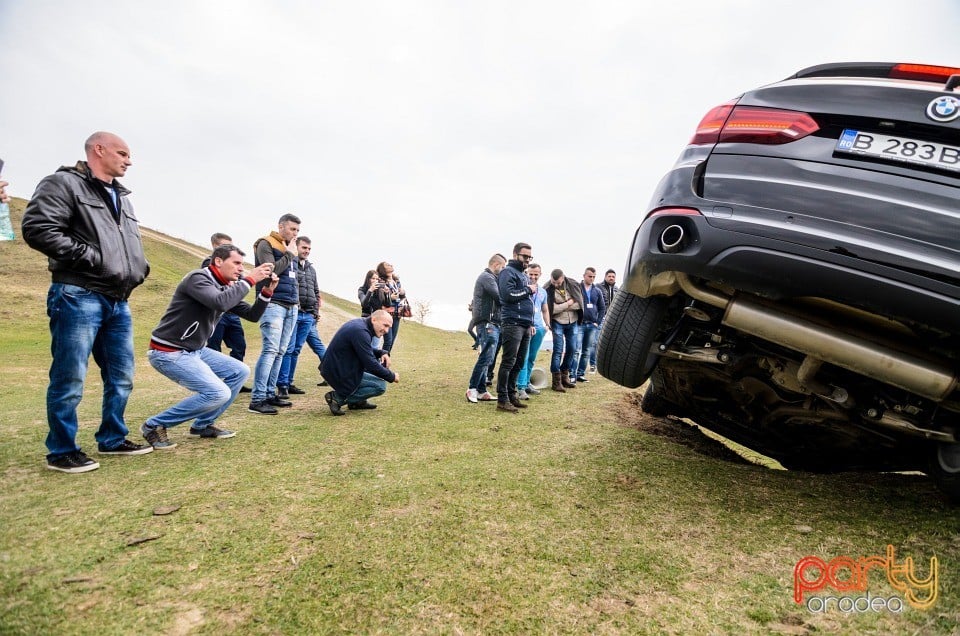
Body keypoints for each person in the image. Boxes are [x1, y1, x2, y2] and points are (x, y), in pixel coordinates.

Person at [21, 132, 152, 473]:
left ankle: (112, 438)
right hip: (78, 293)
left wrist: (140, 268)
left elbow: (126, 245)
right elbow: (38, 228)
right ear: (99, 150)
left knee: (122, 375)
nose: (129, 160)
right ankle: (62, 450)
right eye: (122, 153)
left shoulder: (122, 198)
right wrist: (91, 258)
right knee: (70, 376)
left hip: (118, 301)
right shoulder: (63, 183)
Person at [142, 245, 279, 446]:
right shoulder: (197, 279)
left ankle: (202, 425)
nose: (241, 268)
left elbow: (252, 315)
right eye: (237, 263)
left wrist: (267, 291)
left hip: (194, 350)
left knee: (239, 371)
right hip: (168, 351)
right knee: (218, 393)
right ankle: (154, 425)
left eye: (242, 265)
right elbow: (220, 303)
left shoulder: (227, 288)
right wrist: (250, 279)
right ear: (218, 261)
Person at [249, 213, 301, 415]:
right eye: (292, 229)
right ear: (281, 227)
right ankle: (258, 398)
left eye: (297, 230)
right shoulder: (266, 243)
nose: (295, 233)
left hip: (291, 304)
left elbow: (292, 277)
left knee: (281, 350)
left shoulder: (291, 248)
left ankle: (270, 393)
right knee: (270, 350)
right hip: (273, 303)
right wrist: (289, 255)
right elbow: (272, 271)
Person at [321, 309, 400, 415]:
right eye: (385, 325)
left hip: (339, 368)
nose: (386, 330)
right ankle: (336, 398)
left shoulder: (361, 326)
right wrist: (392, 376)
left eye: (388, 327)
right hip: (339, 372)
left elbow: (364, 348)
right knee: (380, 386)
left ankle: (357, 402)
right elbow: (370, 364)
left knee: (375, 378)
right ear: (374, 319)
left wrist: (382, 352)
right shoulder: (360, 331)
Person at [277, 236, 326, 397]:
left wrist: (315, 313)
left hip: (308, 315)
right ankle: (282, 385)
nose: (307, 251)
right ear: (296, 247)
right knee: (288, 349)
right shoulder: (290, 264)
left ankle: (289, 383)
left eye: (309, 249)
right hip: (294, 312)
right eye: (304, 248)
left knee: (296, 350)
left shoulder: (311, 269)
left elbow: (316, 291)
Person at [495, 243, 536, 413]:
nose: (527, 260)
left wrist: (531, 322)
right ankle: (502, 399)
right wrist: (528, 289)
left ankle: (512, 395)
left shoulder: (523, 274)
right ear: (515, 254)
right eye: (524, 256)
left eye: (529, 257)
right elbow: (507, 295)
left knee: (519, 362)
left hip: (526, 324)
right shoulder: (507, 272)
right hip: (512, 323)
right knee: (509, 361)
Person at [204, 233, 248, 374]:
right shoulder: (208, 264)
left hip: (233, 313)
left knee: (239, 346)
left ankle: (235, 376)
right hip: (217, 315)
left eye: (231, 246)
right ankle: (213, 380)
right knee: (214, 348)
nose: (230, 249)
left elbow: (240, 284)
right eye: (225, 246)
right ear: (215, 246)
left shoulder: (233, 266)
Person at [466, 253, 506, 403]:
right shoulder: (487, 278)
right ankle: (472, 388)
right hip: (486, 322)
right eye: (502, 267)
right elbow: (499, 297)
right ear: (496, 265)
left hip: (493, 322)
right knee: (486, 357)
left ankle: (482, 391)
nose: (503, 270)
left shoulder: (491, 278)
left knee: (488, 357)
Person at [544, 269, 583, 392]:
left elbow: (579, 304)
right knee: (558, 350)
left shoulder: (573, 284)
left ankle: (564, 376)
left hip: (573, 322)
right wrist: (569, 303)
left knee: (572, 348)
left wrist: (562, 306)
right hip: (557, 322)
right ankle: (556, 382)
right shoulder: (547, 288)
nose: (555, 285)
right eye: (553, 282)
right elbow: (552, 309)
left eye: (558, 282)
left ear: (563, 278)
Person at [516, 263, 550, 399]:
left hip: (539, 328)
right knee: (523, 358)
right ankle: (520, 387)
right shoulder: (522, 289)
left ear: (540, 275)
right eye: (531, 274)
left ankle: (527, 383)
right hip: (526, 327)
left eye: (536, 274)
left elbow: (545, 309)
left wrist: (547, 325)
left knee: (531, 358)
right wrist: (529, 324)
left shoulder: (543, 292)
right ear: (526, 273)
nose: (533, 277)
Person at [574, 267, 607, 382]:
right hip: (579, 324)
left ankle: (580, 374)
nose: (592, 279)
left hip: (592, 326)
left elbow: (602, 308)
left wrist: (597, 323)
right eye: (590, 276)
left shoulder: (597, 291)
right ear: (584, 276)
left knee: (586, 351)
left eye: (594, 277)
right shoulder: (577, 288)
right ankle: (572, 375)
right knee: (576, 350)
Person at [376, 262, 406, 353]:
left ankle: (385, 360)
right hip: (387, 313)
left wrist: (402, 293)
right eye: (388, 265)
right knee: (388, 340)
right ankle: (382, 362)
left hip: (397, 313)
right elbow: (380, 297)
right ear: (383, 269)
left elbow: (401, 297)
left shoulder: (396, 281)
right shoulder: (381, 282)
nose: (391, 265)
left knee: (392, 340)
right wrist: (390, 297)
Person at [593, 269, 619, 372]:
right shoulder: (598, 287)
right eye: (609, 276)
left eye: (613, 276)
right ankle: (594, 364)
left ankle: (609, 364)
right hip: (601, 317)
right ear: (605, 277)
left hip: (613, 319)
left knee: (612, 341)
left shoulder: (617, 289)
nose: (611, 278)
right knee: (597, 341)